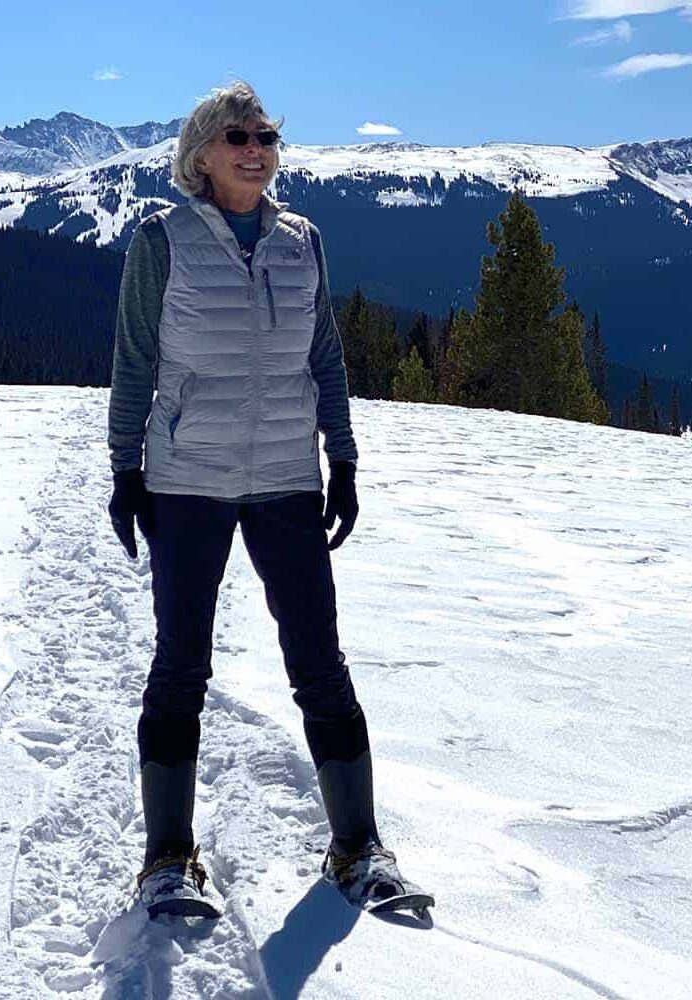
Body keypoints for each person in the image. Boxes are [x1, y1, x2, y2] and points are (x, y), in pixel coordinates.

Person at [106, 81, 430, 918]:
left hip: (288, 477)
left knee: (320, 663)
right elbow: (135, 359)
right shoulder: (161, 240)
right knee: (181, 665)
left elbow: (325, 356)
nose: (256, 148)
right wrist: (124, 470)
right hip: (187, 482)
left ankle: (358, 847)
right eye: (237, 135)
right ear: (201, 154)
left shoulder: (302, 242)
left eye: (267, 135)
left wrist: (343, 458)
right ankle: (167, 860)